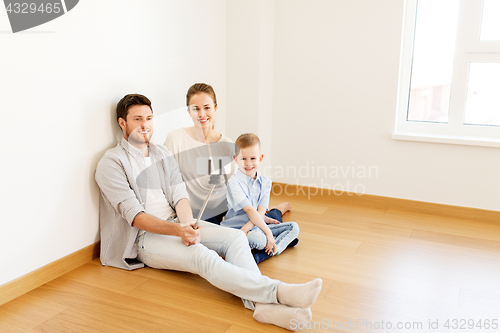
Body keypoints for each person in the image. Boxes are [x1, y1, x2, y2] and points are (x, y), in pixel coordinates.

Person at [94, 93, 322, 330]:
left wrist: (186, 224)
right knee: (201, 256)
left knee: (235, 237)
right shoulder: (111, 163)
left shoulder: (161, 153)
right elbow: (135, 217)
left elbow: (179, 195)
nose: (145, 125)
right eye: (137, 119)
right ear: (123, 123)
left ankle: (263, 308)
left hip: (177, 221)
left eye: (149, 118)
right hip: (144, 238)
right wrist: (178, 230)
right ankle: (277, 291)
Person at [165, 83, 292, 225]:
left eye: (207, 108)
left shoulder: (226, 144)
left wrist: (256, 215)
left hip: (220, 211)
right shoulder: (175, 139)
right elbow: (167, 182)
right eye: (196, 109)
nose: (202, 114)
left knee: (253, 236)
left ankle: (274, 211)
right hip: (187, 211)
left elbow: (236, 184)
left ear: (215, 109)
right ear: (188, 111)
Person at [222, 133, 300, 263]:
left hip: (256, 226)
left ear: (260, 158)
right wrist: (266, 233)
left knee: (294, 227)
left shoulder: (266, 183)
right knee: (256, 239)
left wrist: (264, 227)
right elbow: (250, 212)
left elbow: (260, 212)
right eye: (243, 159)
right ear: (236, 159)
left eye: (253, 158)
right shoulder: (234, 182)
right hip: (236, 229)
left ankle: (265, 252)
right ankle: (276, 242)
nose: (248, 163)